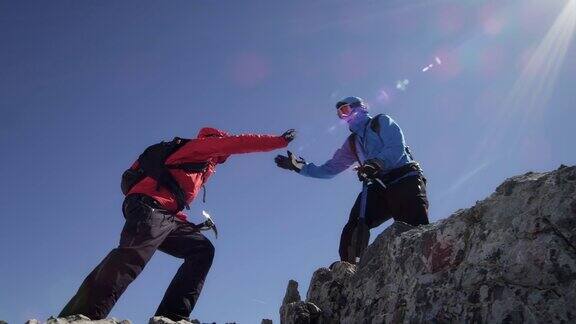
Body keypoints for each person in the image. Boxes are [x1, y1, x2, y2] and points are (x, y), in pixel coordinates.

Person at [59, 127, 296, 321]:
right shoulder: (200, 146)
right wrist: (278, 141)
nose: (222, 159)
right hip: (146, 205)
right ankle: (82, 315)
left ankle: (171, 317)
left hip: (162, 212)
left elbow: (171, 198)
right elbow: (238, 143)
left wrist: (187, 225)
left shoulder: (201, 168)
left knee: (202, 250)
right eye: (222, 152)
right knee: (131, 257)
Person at [275, 96, 429, 263]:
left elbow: (396, 146)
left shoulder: (380, 122)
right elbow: (331, 168)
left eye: (345, 110)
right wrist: (300, 167)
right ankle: (349, 268)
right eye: (340, 114)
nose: (344, 116)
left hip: (403, 176)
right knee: (355, 223)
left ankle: (427, 258)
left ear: (359, 107)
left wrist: (377, 163)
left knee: (413, 222)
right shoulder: (353, 142)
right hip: (379, 184)